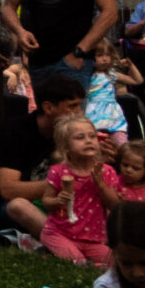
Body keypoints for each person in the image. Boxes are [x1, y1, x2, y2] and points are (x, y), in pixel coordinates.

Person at [37, 115, 121, 268]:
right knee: (78, 263)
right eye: (80, 137)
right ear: (66, 147)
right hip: (59, 233)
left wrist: (101, 185)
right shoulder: (58, 171)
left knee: (116, 263)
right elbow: (46, 202)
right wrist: (57, 201)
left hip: (92, 239)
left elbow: (115, 205)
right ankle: (67, 257)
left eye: (92, 136)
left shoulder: (106, 172)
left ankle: (57, 257)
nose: (88, 141)